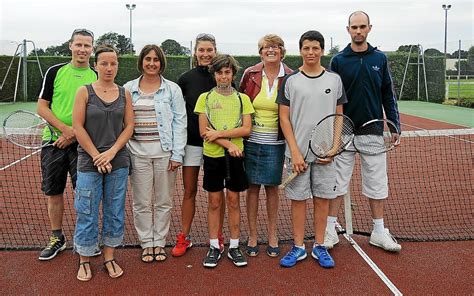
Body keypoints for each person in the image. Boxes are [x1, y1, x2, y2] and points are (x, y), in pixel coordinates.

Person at [325, 11, 401, 252]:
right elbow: (331, 95)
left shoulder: (380, 58)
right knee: (336, 183)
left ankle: (378, 231)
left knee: (377, 184)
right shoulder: (338, 60)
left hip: (373, 132)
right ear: (347, 30)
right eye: (354, 27)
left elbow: (388, 93)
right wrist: (332, 131)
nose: (358, 31)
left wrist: (394, 123)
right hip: (344, 131)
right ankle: (329, 229)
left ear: (369, 28)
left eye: (362, 27)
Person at [277, 31, 347, 268]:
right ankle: (298, 247)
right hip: (297, 155)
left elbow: (339, 116)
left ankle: (319, 246)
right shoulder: (290, 81)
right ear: (300, 50)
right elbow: (284, 119)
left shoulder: (334, 80)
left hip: (326, 154)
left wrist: (335, 147)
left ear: (322, 51)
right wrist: (295, 152)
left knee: (322, 199)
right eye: (306, 48)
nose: (311, 52)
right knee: (298, 200)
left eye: (315, 48)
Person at [72, 45, 134, 281]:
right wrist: (98, 155)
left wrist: (111, 153)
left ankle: (109, 256)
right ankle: (84, 258)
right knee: (86, 211)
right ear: (95, 65)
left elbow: (129, 126)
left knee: (114, 211)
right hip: (89, 163)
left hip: (118, 162)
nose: (109, 68)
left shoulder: (124, 93)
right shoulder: (84, 92)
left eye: (113, 63)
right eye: (104, 63)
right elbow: (77, 127)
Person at [36, 28, 98, 261]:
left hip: (83, 146)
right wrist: (64, 130)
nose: (82, 49)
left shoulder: (97, 75)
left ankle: (86, 238)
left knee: (85, 193)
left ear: (92, 49)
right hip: (53, 143)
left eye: (87, 45)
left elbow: (98, 114)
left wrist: (74, 135)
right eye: (78, 44)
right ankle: (57, 238)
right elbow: (42, 107)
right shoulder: (55, 72)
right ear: (70, 46)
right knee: (54, 192)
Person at [123, 45, 187, 263]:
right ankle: (146, 243)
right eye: (147, 59)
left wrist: (177, 154)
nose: (152, 63)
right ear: (141, 61)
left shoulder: (172, 89)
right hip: (137, 154)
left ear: (161, 63)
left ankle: (159, 243)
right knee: (141, 202)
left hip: (165, 155)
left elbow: (180, 122)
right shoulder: (128, 89)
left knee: (163, 202)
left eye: (156, 59)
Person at [194, 54, 254, 268]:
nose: (223, 76)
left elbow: (247, 129)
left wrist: (220, 134)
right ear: (214, 75)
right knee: (214, 202)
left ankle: (235, 246)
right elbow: (204, 132)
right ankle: (214, 246)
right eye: (219, 72)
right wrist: (228, 144)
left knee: (234, 201)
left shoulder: (242, 99)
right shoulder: (205, 98)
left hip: (236, 158)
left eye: (227, 72)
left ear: (233, 74)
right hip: (213, 157)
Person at [172, 33, 226, 257]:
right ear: (195, 52)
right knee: (189, 190)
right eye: (201, 50)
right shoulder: (185, 79)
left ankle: (219, 235)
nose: (205, 54)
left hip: (219, 144)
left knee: (218, 192)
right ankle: (184, 237)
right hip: (192, 144)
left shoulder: (224, 77)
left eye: (209, 50)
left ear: (215, 51)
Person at [239, 34, 292, 258]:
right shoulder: (250, 74)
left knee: (272, 189)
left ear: (282, 51)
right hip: (251, 141)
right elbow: (240, 102)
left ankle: (272, 234)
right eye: (266, 47)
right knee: (251, 189)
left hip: (276, 142)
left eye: (275, 46)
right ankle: (252, 236)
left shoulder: (290, 76)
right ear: (260, 52)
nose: (271, 50)